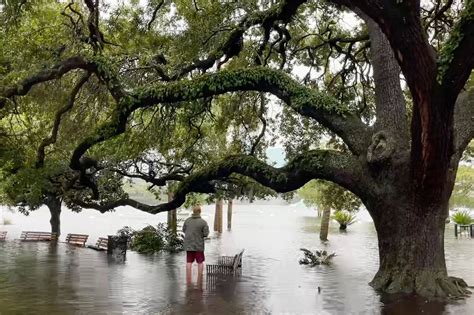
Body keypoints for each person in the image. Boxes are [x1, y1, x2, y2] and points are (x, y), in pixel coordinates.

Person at [183, 205, 209, 283]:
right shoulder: (203, 222)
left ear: (193, 211)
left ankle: (188, 280)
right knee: (200, 262)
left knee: (189, 262)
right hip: (198, 245)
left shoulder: (187, 220)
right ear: (200, 211)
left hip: (188, 244)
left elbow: (184, 230)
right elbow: (205, 234)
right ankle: (199, 280)